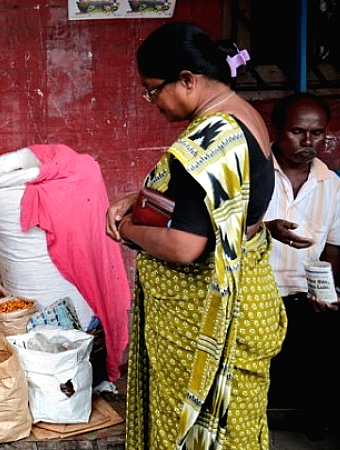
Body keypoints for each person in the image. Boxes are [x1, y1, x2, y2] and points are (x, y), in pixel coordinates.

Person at [106, 23, 285, 449]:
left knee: (200, 433)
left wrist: (128, 231)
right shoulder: (242, 114)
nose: (153, 103)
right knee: (236, 430)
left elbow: (187, 246)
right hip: (246, 301)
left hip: (208, 319)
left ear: (187, 79)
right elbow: (214, 201)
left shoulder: (210, 139)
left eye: (153, 91)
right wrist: (139, 197)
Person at [263, 93, 340, 441]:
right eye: (297, 131)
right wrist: (265, 229)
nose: (308, 142)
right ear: (277, 130)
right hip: (257, 293)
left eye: (317, 133)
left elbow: (334, 250)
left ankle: (323, 423)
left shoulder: (332, 185)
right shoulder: (253, 176)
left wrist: (326, 294)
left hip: (305, 297)